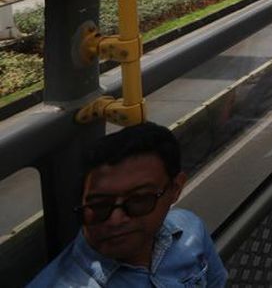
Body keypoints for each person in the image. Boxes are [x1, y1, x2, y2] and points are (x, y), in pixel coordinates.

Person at [29, 122, 226, 287]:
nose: (116, 220)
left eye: (139, 200)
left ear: (175, 189)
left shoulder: (190, 229)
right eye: (100, 206)